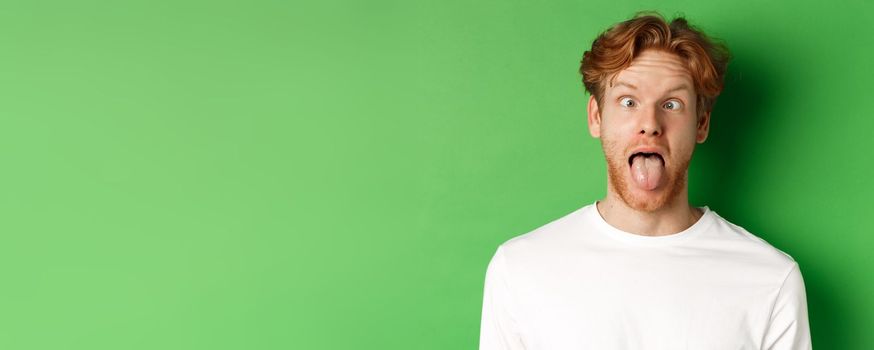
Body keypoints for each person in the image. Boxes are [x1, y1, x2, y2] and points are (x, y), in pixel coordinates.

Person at [478, 12, 812, 349]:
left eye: (672, 103)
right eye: (628, 101)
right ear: (597, 117)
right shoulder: (520, 270)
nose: (650, 123)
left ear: (701, 124)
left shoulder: (770, 279)